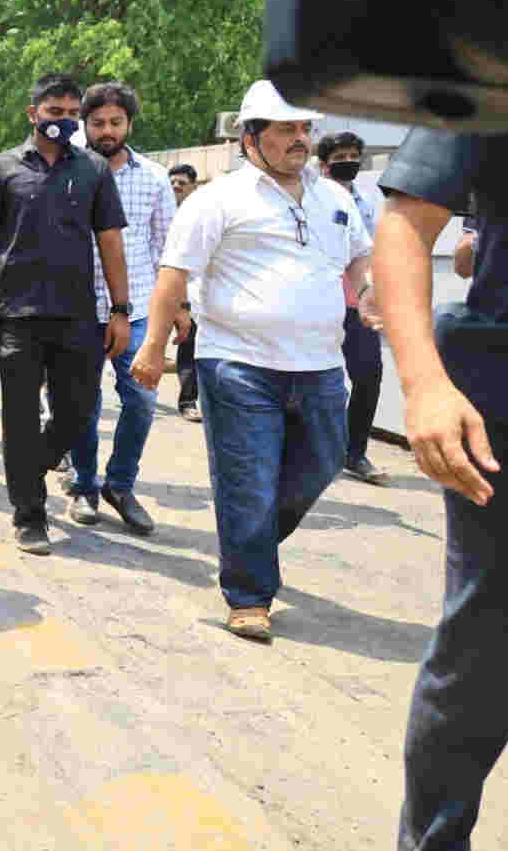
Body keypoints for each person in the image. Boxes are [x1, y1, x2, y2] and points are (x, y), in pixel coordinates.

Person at [131, 80, 376, 642]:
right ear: (250, 139)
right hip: (237, 363)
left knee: (322, 462)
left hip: (318, 366)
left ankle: (251, 545)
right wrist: (152, 346)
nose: (299, 140)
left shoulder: (334, 199)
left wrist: (366, 295)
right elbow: (174, 274)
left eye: (304, 129)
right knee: (249, 482)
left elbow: (358, 260)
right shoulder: (219, 200)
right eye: (286, 129)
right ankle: (248, 594)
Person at [372, 131, 506, 851]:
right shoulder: (488, 51)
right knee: (485, 650)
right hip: (503, 407)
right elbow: (405, 223)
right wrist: (423, 383)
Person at [0, 73, 131, 555]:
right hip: (14, 315)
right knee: (18, 417)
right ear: (32, 112)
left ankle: (29, 467)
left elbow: (110, 243)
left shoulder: (94, 170)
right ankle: (29, 514)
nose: (63, 121)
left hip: (79, 315)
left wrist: (120, 310)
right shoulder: (1, 169)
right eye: (53, 112)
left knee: (78, 413)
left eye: (70, 113)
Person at [62, 83, 174, 534]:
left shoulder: (154, 178)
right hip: (78, 308)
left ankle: (120, 484)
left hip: (139, 310)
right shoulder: (67, 173)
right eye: (97, 123)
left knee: (142, 402)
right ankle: (85, 485)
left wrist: (177, 310)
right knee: (83, 404)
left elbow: (167, 248)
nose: (107, 131)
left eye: (115, 122)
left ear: (129, 124)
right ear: (84, 125)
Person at [317, 131, 388, 486]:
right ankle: (310, 450)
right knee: (312, 380)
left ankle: (354, 452)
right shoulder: (313, 197)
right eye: (340, 155)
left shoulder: (366, 200)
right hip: (318, 303)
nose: (348, 161)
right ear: (324, 163)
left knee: (369, 374)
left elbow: (370, 251)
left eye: (353, 155)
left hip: (358, 304)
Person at [168, 164, 203, 422]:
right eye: (173, 182)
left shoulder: (202, 216)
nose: (176, 187)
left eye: (182, 182)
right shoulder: (162, 211)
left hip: (190, 292)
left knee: (188, 345)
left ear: (194, 186)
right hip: (156, 289)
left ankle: (188, 400)